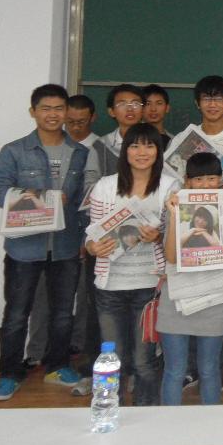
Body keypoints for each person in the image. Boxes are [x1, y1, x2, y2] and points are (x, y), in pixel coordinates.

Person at [0, 84, 97, 401]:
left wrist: (84, 237)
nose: (53, 114)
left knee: (63, 313)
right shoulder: (15, 151)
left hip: (65, 245)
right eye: (46, 108)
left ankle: (58, 366)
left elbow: (83, 201)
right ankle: (9, 374)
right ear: (33, 111)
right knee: (16, 315)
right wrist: (40, 198)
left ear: (67, 112)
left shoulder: (80, 153)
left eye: (59, 108)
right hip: (24, 246)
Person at [85, 123, 177, 406]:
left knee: (143, 361)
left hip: (149, 285)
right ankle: (111, 411)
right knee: (113, 358)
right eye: (135, 146)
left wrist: (158, 236)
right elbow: (91, 235)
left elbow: (176, 239)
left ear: (158, 151)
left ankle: (146, 417)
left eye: (149, 146)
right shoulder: (105, 186)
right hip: (110, 285)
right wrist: (92, 247)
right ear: (125, 151)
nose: (142, 152)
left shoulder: (169, 186)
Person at [159, 152, 223, 405]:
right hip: (177, 298)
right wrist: (174, 216)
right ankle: (168, 425)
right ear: (188, 181)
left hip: (215, 296)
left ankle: (211, 425)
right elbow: (171, 256)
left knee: (209, 369)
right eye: (199, 179)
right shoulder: (175, 205)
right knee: (174, 370)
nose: (205, 185)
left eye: (212, 178)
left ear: (220, 180)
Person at [95, 84, 145, 176]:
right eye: (122, 104)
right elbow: (91, 181)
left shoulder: (158, 141)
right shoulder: (101, 146)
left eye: (135, 104)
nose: (130, 109)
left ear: (143, 109)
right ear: (111, 112)